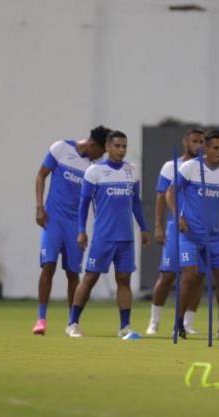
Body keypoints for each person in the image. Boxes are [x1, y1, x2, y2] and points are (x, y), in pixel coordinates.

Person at [65, 130, 150, 338]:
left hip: (126, 238)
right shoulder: (95, 171)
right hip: (103, 237)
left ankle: (125, 327)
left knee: (124, 281)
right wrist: (81, 231)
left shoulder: (133, 171)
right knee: (90, 278)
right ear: (107, 148)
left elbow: (136, 202)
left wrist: (144, 227)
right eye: (117, 146)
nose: (121, 150)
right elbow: (84, 204)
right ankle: (72, 323)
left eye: (124, 146)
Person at [33, 126, 111, 335]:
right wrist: (39, 207)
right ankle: (41, 319)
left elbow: (96, 200)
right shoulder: (60, 148)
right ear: (93, 145)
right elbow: (41, 175)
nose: (101, 156)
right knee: (48, 265)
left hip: (75, 225)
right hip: (53, 219)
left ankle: (72, 323)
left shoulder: (94, 168)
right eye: (101, 151)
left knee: (72, 272)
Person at [166, 130, 219, 340]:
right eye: (215, 148)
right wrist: (177, 216)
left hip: (214, 236)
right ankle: (178, 325)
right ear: (205, 148)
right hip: (189, 234)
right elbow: (171, 192)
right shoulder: (189, 168)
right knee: (190, 276)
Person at [146, 128, 207, 336]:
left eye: (201, 141)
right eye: (194, 141)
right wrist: (158, 226)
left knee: (197, 276)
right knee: (168, 274)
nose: (198, 145)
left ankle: (187, 323)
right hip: (175, 228)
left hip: (200, 229)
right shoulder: (171, 166)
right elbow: (162, 197)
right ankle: (154, 322)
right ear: (185, 142)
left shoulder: (207, 168)